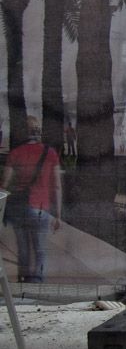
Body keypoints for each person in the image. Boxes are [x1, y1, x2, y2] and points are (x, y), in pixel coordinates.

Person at [2, 116, 62, 283]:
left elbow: (4, 184)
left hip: (19, 209)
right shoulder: (50, 153)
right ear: (39, 132)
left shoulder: (15, 153)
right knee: (40, 249)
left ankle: (23, 281)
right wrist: (57, 215)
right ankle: (37, 283)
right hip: (40, 208)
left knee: (23, 250)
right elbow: (56, 186)